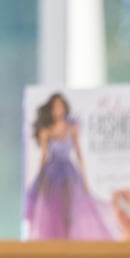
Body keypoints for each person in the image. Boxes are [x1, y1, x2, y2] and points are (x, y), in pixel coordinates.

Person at [23, 92, 121, 241]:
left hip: (68, 170)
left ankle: (68, 237)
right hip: (51, 172)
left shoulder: (72, 127)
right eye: (55, 107)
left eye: (60, 107)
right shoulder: (47, 131)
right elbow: (43, 156)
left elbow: (79, 153)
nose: (58, 110)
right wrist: (39, 178)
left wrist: (85, 179)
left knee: (71, 207)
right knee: (50, 207)